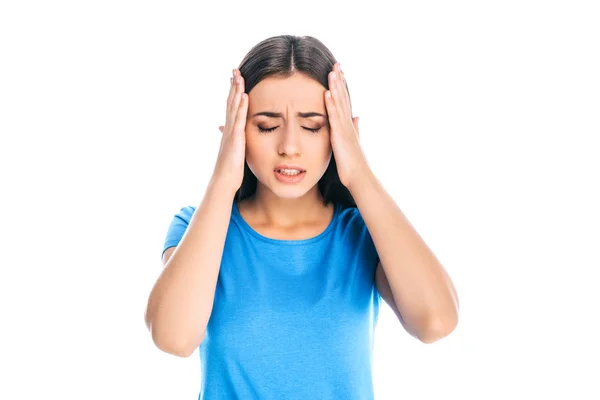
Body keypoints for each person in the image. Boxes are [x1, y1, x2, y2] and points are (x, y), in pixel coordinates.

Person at [144, 34, 459, 400]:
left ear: (339, 133)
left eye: (312, 126)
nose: (289, 146)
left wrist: (358, 173)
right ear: (236, 131)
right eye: (266, 125)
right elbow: (173, 337)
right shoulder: (197, 227)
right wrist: (222, 180)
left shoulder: (361, 234)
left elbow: (436, 322)